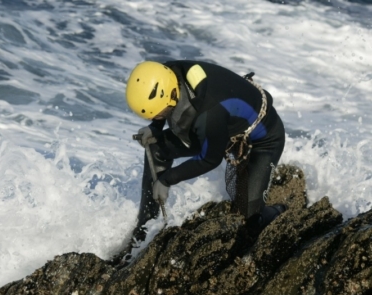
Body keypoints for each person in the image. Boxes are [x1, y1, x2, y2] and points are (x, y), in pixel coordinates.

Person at [113, 60, 286, 265]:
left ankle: (280, 210)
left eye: (159, 114)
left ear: (171, 95)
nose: (159, 117)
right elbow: (160, 102)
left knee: (248, 220)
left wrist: (167, 179)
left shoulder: (208, 113)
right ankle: (144, 230)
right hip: (221, 123)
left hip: (264, 139)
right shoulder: (167, 72)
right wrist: (155, 128)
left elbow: (209, 159)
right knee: (156, 147)